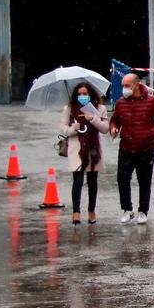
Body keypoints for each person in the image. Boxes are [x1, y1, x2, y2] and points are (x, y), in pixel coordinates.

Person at [109, 73, 154, 225]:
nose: (124, 89)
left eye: (126, 85)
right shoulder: (121, 103)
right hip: (126, 147)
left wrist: (151, 133)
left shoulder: (152, 102)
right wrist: (114, 128)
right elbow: (115, 119)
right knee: (122, 177)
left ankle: (143, 210)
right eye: (123, 85)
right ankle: (127, 209)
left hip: (146, 148)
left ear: (136, 85)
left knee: (144, 180)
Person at [60, 83, 109, 224]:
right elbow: (63, 129)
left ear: (91, 94)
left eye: (85, 94)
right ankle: (76, 212)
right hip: (77, 149)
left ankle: (91, 211)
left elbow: (105, 128)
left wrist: (93, 118)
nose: (82, 97)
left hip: (94, 150)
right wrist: (73, 129)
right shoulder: (69, 109)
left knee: (92, 181)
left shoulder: (100, 108)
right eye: (79, 94)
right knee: (78, 181)